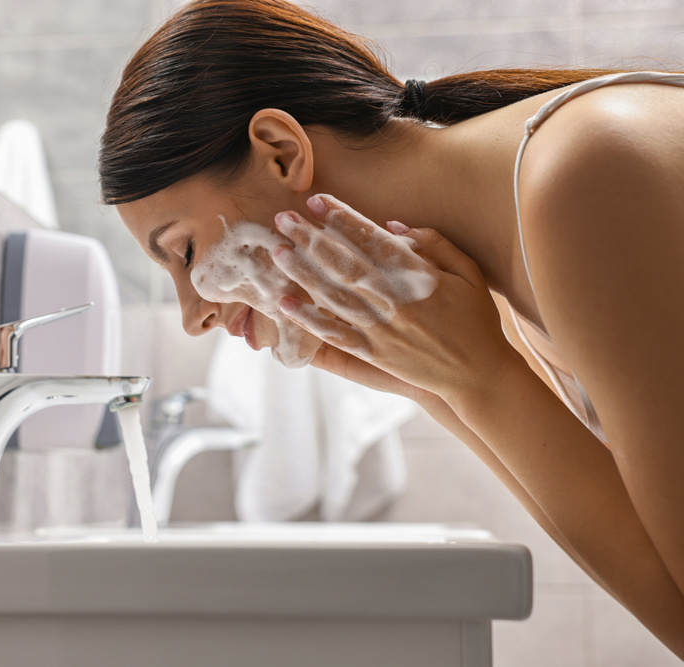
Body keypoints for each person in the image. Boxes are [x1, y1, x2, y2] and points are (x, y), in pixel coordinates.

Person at [100, 0, 684, 655]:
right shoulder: (504, 251)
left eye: (182, 251)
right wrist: (435, 384)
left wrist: (479, 378)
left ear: (281, 152)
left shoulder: (582, 180)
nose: (193, 317)